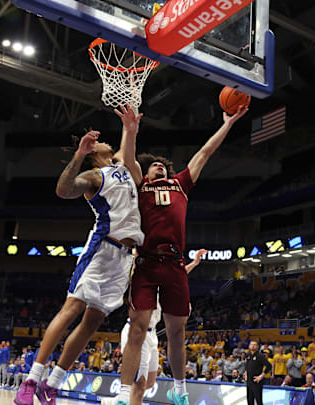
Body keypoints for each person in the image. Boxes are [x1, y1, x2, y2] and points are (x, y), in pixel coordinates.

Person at [118, 104, 248, 405]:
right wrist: (130, 130)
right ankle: (124, 396)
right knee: (137, 330)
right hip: (147, 264)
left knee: (177, 334)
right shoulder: (141, 186)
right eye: (155, 166)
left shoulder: (181, 184)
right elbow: (128, 160)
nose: (160, 167)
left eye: (163, 165)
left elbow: (204, 152)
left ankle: (180, 389)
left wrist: (227, 124)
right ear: (147, 173)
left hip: (175, 264)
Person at [15, 126, 145, 405]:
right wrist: (80, 153)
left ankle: (52, 384)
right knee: (71, 309)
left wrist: (129, 124)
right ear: (93, 155)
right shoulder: (93, 175)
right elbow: (63, 190)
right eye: (97, 145)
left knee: (92, 322)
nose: (103, 141)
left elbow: (127, 144)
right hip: (102, 250)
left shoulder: (122, 166)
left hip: (124, 259)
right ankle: (31, 380)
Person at [102, 250, 207, 405]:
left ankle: (114, 401)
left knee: (150, 382)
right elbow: (134, 268)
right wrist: (137, 254)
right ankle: (121, 401)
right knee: (140, 384)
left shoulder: (162, 282)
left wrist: (194, 263)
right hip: (137, 333)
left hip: (152, 335)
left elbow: (179, 274)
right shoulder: (140, 279)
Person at [244, 341, 272, 405]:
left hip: (256, 381)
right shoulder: (248, 355)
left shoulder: (260, 356)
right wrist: (245, 373)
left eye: (254, 345)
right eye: (251, 344)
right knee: (249, 400)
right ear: (249, 346)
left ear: (257, 347)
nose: (253, 346)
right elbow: (247, 365)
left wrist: (261, 376)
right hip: (249, 381)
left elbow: (269, 366)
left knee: (258, 400)